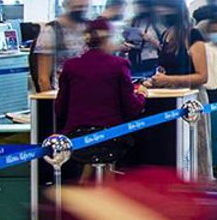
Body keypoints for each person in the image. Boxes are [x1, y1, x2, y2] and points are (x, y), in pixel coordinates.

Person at [54, 18, 147, 155]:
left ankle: (88, 175)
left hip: (75, 137)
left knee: (91, 157)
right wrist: (142, 94)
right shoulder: (119, 65)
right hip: (111, 135)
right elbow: (132, 108)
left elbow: (60, 108)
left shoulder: (71, 66)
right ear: (108, 39)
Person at [143, 0, 207, 90]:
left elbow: (202, 77)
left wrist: (169, 80)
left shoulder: (192, 35)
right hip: (168, 96)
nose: (160, 13)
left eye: (163, 9)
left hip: (189, 97)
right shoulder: (166, 34)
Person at [33, 0, 92, 92]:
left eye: (84, 7)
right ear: (65, 4)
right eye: (77, 7)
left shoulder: (91, 28)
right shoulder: (51, 31)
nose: (81, 11)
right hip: (64, 94)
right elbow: (43, 79)